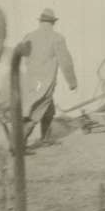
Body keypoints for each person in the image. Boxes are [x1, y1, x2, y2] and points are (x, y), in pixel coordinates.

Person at [19, 8, 77, 145]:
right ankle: (19, 146)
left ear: (40, 22)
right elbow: (66, 62)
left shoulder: (29, 36)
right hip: (45, 82)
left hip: (30, 81)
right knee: (35, 112)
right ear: (53, 23)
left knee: (48, 110)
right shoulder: (57, 38)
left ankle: (45, 138)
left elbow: (24, 58)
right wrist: (72, 82)